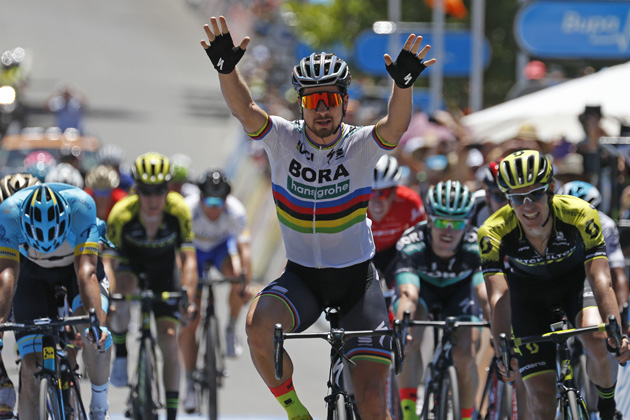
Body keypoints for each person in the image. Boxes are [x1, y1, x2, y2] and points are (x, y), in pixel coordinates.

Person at [201, 14, 435, 420]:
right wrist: (228, 70)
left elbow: (395, 127)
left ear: (345, 101)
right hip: (303, 277)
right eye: (312, 100)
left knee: (374, 403)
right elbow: (246, 108)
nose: (321, 110)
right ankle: (296, 413)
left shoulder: (360, 144)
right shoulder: (282, 138)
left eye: (329, 99)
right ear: (301, 104)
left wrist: (402, 86)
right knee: (258, 325)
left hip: (356, 281)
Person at [478, 149, 630, 420]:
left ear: (550, 189)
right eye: (516, 198)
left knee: (597, 338)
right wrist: (503, 350)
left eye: (535, 194)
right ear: (507, 199)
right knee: (540, 398)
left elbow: (600, 278)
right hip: (527, 296)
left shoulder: (580, 213)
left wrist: (615, 331)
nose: (528, 206)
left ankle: (607, 406)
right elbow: (498, 295)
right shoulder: (493, 231)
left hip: (575, 283)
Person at [0, 181, 112, 419]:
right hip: (32, 273)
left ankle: (99, 406)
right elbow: (7, 275)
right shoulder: (9, 213)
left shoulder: (82, 206)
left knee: (97, 337)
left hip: (76, 268)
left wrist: (96, 323)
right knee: (30, 368)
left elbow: (86, 272)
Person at [105, 152, 197, 420]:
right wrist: (109, 298)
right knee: (121, 294)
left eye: (159, 191)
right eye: (146, 191)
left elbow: (188, 260)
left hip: (163, 272)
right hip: (129, 266)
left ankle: (170, 413)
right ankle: (120, 352)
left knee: (168, 340)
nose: (153, 199)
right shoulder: (122, 213)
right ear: (136, 189)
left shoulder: (178, 210)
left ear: (168, 188)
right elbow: (108, 264)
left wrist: (188, 296)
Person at [393, 180, 489, 420]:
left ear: (468, 223)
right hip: (422, 293)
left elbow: (484, 293)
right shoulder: (411, 242)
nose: (448, 230)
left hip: (459, 295)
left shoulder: (477, 244)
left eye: (457, 222)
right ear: (429, 219)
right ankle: (409, 412)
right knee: (409, 339)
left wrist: (499, 327)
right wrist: (402, 327)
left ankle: (467, 415)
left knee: (465, 354)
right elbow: (408, 294)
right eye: (441, 221)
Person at [179, 168, 252, 413]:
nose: (213, 207)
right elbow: (178, 255)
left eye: (219, 201)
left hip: (220, 249)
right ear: (200, 197)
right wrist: (185, 291)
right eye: (209, 200)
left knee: (237, 277)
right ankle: (188, 381)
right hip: (194, 254)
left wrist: (244, 284)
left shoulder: (235, 211)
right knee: (191, 318)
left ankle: (231, 327)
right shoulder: (187, 209)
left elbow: (245, 252)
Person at [557, 181, 630, 331]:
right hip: (560, 276)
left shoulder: (605, 225)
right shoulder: (549, 222)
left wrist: (622, 311)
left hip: (588, 278)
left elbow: (617, 273)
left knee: (595, 332)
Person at [368, 154, 425, 286]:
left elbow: (421, 240)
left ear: (394, 191)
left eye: (384, 194)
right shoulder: (354, 200)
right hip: (362, 251)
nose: (377, 202)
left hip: (393, 252)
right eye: (370, 192)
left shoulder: (410, 201)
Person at [470, 160, 508, 228]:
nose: (508, 203)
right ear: (487, 196)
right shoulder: (474, 209)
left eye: (513, 197)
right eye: (501, 196)